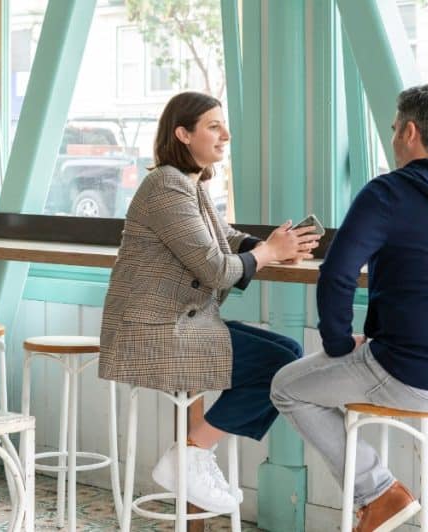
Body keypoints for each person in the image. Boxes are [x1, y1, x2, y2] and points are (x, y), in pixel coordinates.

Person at [270, 83, 428, 532]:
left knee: (287, 386)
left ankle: (378, 493)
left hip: (413, 377)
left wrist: (340, 344)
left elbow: (338, 273)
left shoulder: (387, 192)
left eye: (393, 128)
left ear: (409, 132)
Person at [99, 91, 321, 514]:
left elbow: (224, 236)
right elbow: (216, 269)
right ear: (183, 134)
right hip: (154, 333)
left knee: (289, 354)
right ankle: (189, 456)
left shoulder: (189, 184)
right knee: (281, 367)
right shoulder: (165, 185)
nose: (226, 135)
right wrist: (269, 253)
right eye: (214, 126)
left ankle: (193, 454)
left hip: (182, 323)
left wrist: (272, 245)